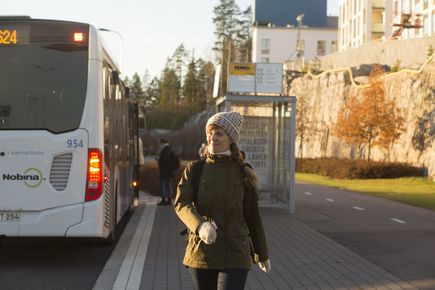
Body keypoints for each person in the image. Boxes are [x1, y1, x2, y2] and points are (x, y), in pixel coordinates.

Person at [174, 112, 271, 290]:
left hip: (236, 252)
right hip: (202, 251)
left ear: (231, 139)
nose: (213, 137)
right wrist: (201, 225)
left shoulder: (244, 172)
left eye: (219, 133)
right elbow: (182, 204)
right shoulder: (194, 169)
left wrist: (261, 253)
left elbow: (252, 216)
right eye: (210, 132)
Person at [157, 138, 175, 205]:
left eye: (159, 143)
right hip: (169, 171)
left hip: (165, 171)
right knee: (168, 185)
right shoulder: (169, 148)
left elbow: (166, 161)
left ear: (162, 143)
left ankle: (164, 200)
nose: (159, 144)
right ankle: (169, 200)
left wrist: (159, 162)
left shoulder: (164, 150)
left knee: (163, 185)